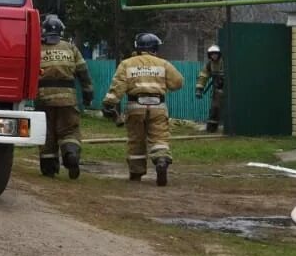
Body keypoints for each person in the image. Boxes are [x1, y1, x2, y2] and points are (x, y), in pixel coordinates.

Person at [103, 32, 184, 186]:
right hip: (158, 107)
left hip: (135, 107)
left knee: (136, 140)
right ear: (155, 47)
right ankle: (161, 160)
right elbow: (178, 83)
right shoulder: (163, 64)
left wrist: (109, 103)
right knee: (160, 138)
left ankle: (136, 173)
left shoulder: (127, 64)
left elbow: (118, 86)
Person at [35, 14, 92, 179]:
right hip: (68, 99)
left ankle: (49, 168)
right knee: (70, 131)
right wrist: (88, 92)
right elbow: (83, 72)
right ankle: (71, 154)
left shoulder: (37, 48)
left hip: (43, 99)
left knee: (47, 134)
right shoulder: (70, 48)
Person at [195, 44, 225, 133]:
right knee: (215, 108)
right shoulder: (209, 64)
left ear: (219, 54)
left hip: (229, 89)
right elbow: (203, 76)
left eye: (215, 54)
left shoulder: (224, 62)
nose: (214, 55)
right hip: (217, 90)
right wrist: (199, 89)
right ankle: (211, 129)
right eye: (212, 54)